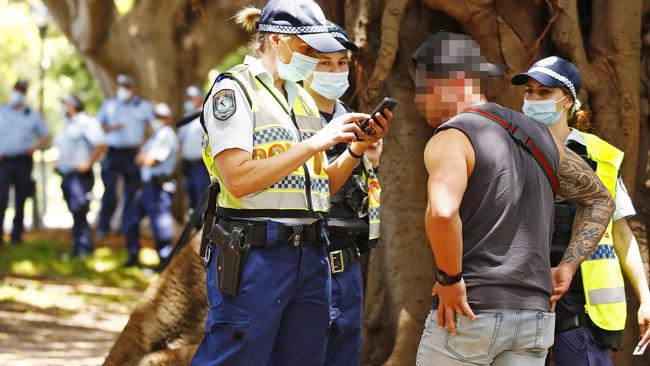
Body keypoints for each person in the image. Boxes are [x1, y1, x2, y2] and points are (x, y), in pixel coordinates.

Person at [190, 1, 392, 365]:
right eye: (309, 49)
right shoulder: (235, 91)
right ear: (278, 40)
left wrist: (355, 151)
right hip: (255, 252)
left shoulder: (302, 99)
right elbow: (237, 179)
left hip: (311, 254)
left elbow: (321, 189)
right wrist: (315, 143)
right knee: (237, 356)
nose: (315, 58)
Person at [412, 31, 615, 365]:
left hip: (470, 312)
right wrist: (567, 266)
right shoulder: (541, 137)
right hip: (533, 320)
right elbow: (600, 197)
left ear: (444, 81)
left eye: (422, 89)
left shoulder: (453, 136)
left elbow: (443, 212)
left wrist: (449, 280)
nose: (420, 102)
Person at [511, 56, 650, 365]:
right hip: (517, 303)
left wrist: (646, 298)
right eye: (528, 92)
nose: (533, 99)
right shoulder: (510, 148)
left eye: (544, 93)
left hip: (581, 314)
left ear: (568, 101)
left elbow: (621, 234)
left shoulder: (600, 156)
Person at [302, 21, 382, 366]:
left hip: (349, 267)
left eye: (341, 63)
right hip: (302, 265)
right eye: (324, 63)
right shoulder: (291, 118)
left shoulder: (354, 121)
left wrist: (370, 159)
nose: (335, 71)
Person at [95, 74, 154, 239]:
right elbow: (100, 124)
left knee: (131, 192)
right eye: (121, 86)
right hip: (113, 153)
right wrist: (110, 127)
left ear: (134, 89)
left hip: (132, 154)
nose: (124, 90)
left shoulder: (143, 106)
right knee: (109, 191)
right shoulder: (109, 105)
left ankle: (126, 227)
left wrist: (143, 144)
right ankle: (103, 227)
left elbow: (153, 128)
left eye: (127, 87)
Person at [121, 103, 179, 268]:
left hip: (159, 188)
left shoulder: (166, 135)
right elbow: (139, 157)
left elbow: (152, 161)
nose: (156, 120)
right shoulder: (154, 136)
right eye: (154, 116)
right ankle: (133, 256)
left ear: (168, 118)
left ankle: (164, 261)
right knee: (131, 220)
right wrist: (142, 157)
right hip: (146, 187)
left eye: (160, 116)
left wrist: (143, 158)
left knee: (160, 225)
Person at [55, 95, 107, 257]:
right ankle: (77, 247)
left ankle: (84, 247)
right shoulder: (68, 125)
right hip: (67, 175)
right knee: (75, 212)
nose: (63, 107)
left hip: (80, 177)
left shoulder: (87, 123)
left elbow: (101, 144)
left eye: (65, 104)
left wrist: (88, 164)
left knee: (80, 210)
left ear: (72, 106)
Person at [0, 80, 49, 246]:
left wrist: (33, 148)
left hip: (23, 162)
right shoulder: (2, 111)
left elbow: (45, 137)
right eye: (17, 90)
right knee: (2, 198)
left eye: (22, 91)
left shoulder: (32, 115)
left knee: (21, 199)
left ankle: (16, 235)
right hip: (4, 163)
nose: (18, 93)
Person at [178, 85, 211, 211]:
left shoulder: (206, 114)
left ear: (200, 99)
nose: (188, 101)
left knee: (202, 197)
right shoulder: (187, 117)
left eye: (191, 98)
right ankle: (195, 226)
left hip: (201, 165)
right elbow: (181, 141)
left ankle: (204, 227)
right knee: (191, 195)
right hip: (188, 165)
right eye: (187, 98)